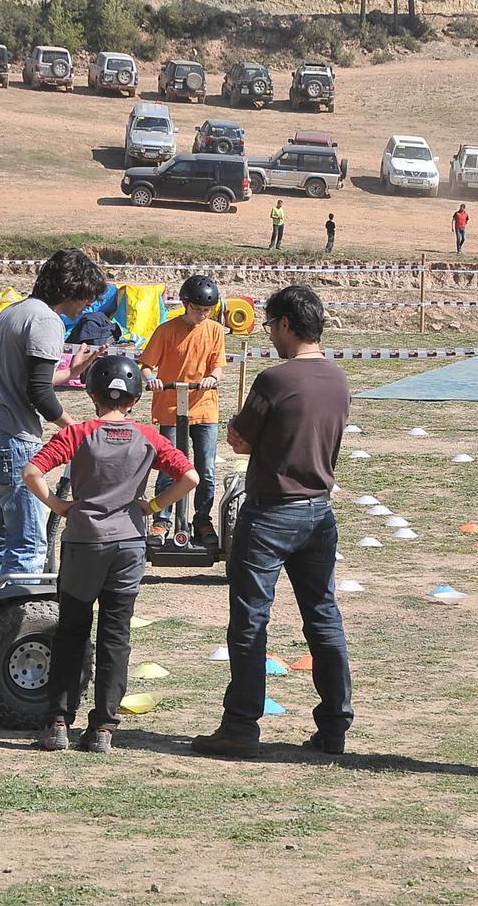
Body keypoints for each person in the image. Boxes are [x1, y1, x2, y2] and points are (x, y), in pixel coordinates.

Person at [192, 285, 353, 759]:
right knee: (323, 618)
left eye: (270, 325)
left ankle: (241, 726)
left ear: (285, 324)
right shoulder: (340, 380)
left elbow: (239, 441)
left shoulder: (275, 379)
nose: (269, 334)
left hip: (269, 513)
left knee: (249, 621)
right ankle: (335, 723)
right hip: (319, 512)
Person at [23, 356, 198, 754]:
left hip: (84, 541)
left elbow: (31, 472)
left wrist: (59, 506)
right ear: (135, 400)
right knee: (116, 634)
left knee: (71, 630)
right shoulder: (148, 437)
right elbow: (190, 477)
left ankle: (56, 723)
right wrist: (152, 507)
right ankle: (103, 727)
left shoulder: (79, 433)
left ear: (92, 394)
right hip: (129, 544)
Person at [0, 249, 108, 593]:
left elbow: (26, 381)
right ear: (72, 289)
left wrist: (72, 372)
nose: (87, 307)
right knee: (29, 546)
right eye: (87, 297)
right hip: (14, 440)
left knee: (0, 542)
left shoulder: (11, 313)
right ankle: (14, 632)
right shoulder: (47, 321)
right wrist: (77, 430)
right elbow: (39, 396)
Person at [138, 275, 226, 548]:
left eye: (206, 311)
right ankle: (162, 520)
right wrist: (150, 378)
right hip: (170, 405)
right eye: (197, 309)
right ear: (185, 304)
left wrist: (214, 377)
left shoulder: (215, 331)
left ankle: (201, 519)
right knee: (169, 467)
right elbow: (146, 365)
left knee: (206, 468)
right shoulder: (166, 331)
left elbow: (218, 366)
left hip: (204, 406)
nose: (202, 315)